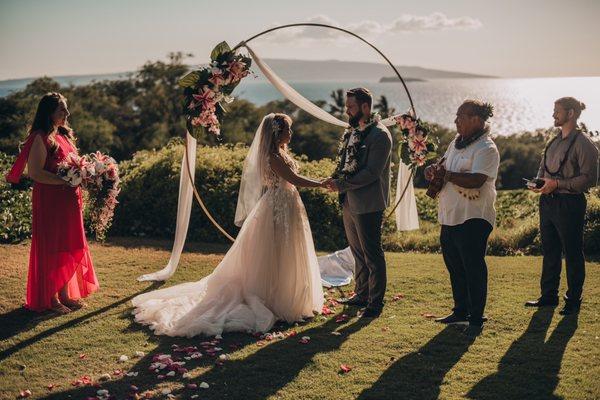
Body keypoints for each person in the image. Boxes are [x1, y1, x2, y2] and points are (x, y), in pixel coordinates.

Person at [132, 113, 325, 337]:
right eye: (287, 130)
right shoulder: (272, 156)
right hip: (278, 208)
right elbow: (294, 179)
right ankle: (276, 299)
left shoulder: (278, 153)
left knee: (286, 251)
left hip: (285, 205)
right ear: (276, 133)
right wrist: (323, 184)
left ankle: (286, 295)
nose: (290, 134)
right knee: (276, 251)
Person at [5, 92, 99, 314]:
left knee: (69, 246)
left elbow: (74, 165)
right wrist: (63, 180)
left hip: (68, 200)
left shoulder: (63, 135)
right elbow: (36, 173)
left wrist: (85, 176)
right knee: (53, 248)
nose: (67, 113)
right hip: (50, 201)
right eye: (61, 110)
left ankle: (65, 294)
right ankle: (51, 298)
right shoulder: (40, 137)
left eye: (66, 109)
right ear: (49, 113)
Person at [425, 100, 499, 335]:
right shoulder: (455, 144)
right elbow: (444, 167)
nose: (456, 120)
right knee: (455, 266)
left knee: (473, 267)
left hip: (474, 217)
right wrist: (433, 169)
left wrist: (447, 175)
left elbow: (477, 179)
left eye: (461, 116)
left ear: (476, 119)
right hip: (450, 215)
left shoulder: (486, 148)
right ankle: (460, 311)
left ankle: (475, 318)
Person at [525, 97, 598, 315]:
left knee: (573, 252)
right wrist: (538, 183)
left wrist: (557, 184)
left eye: (557, 111)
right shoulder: (552, 141)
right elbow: (543, 169)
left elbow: (590, 180)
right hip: (547, 202)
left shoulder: (585, 145)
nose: (553, 115)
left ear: (571, 113)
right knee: (550, 250)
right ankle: (548, 296)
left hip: (570, 203)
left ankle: (573, 300)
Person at [324, 87, 392, 319]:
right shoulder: (353, 131)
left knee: (372, 253)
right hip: (350, 202)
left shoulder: (380, 135)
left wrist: (340, 184)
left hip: (369, 203)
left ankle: (375, 302)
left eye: (351, 107)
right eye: (346, 106)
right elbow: (346, 164)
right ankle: (361, 293)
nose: (347, 111)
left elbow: (372, 172)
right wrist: (337, 180)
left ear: (365, 107)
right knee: (357, 252)